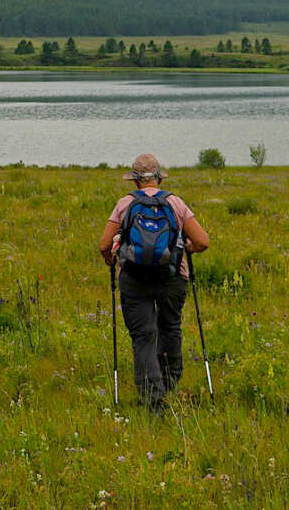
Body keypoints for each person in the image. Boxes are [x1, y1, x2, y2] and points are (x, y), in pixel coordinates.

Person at [98, 152, 210, 411]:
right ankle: (170, 382)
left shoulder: (125, 204)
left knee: (143, 336)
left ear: (135, 181)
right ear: (158, 177)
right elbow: (203, 241)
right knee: (170, 327)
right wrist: (186, 249)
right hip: (172, 276)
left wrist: (110, 258)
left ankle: (152, 398)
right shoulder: (175, 203)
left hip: (133, 278)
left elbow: (104, 244)